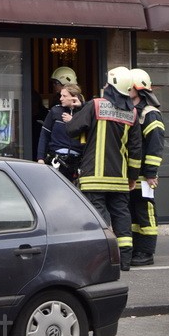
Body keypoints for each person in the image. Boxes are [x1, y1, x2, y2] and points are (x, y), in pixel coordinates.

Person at [69, 66, 141, 270]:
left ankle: (102, 262)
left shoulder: (95, 105)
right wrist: (132, 177)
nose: (104, 86)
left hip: (94, 178)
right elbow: (136, 151)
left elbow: (72, 129)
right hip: (119, 180)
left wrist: (79, 112)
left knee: (98, 219)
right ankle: (125, 261)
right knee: (121, 217)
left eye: (107, 83)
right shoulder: (132, 113)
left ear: (111, 86)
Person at [128, 68, 166, 267]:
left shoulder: (150, 114)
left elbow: (155, 145)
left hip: (144, 175)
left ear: (138, 88)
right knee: (133, 212)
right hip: (131, 174)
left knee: (145, 211)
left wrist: (150, 173)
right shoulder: (130, 110)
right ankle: (136, 248)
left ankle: (147, 251)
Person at [36, 82, 86, 181]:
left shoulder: (84, 112)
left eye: (64, 96)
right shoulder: (55, 111)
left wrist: (74, 120)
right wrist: (40, 158)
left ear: (74, 97)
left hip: (78, 162)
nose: (60, 98)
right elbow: (44, 135)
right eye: (61, 95)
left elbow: (90, 132)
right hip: (57, 160)